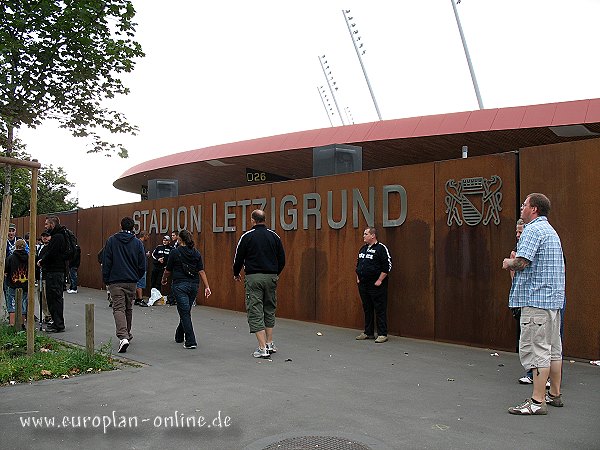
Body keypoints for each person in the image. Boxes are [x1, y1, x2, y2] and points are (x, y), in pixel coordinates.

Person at [502, 193, 565, 415]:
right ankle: (554, 394)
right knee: (554, 350)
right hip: (553, 302)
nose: (522, 208)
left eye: (525, 205)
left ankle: (537, 402)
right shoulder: (550, 231)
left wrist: (508, 262)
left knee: (537, 351)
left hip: (536, 301)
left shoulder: (532, 230)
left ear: (534, 209)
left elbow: (521, 262)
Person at [233, 209, 285, 358]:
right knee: (269, 308)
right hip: (271, 276)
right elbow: (282, 259)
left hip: (253, 277)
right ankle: (269, 342)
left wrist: (236, 273)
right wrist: (275, 273)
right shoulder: (274, 236)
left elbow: (238, 258)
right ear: (264, 220)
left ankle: (262, 348)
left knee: (255, 309)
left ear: (252, 220)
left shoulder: (247, 236)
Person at [102, 217, 147, 353]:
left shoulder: (111, 241)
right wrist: (136, 277)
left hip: (115, 280)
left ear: (120, 225)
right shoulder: (138, 243)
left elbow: (107, 261)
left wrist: (106, 278)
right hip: (131, 281)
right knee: (128, 308)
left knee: (118, 308)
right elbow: (142, 264)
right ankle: (127, 333)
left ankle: (123, 336)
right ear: (134, 227)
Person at [161, 230, 211, 349]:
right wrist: (207, 286)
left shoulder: (175, 252)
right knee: (186, 311)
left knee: (184, 312)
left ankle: (190, 340)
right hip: (194, 285)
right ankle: (179, 335)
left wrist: (164, 280)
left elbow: (168, 270)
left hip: (180, 285)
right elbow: (201, 271)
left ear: (180, 240)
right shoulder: (196, 253)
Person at [355, 227, 393, 343]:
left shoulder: (381, 249)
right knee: (367, 308)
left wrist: (380, 280)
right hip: (363, 285)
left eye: (365, 234)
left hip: (376, 285)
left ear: (373, 235)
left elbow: (387, 266)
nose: (363, 236)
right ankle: (368, 332)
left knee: (380, 308)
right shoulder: (363, 249)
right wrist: (358, 277)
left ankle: (382, 334)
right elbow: (358, 264)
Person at [36, 216, 67, 332]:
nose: (45, 226)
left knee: (54, 298)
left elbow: (52, 253)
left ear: (52, 224)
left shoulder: (57, 237)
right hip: (56, 271)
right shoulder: (60, 236)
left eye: (46, 224)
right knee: (54, 297)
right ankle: (56, 322)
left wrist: (42, 261)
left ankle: (58, 324)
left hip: (54, 272)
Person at [5, 239, 28, 326]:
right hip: (25, 284)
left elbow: (6, 270)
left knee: (12, 304)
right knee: (23, 304)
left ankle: (12, 324)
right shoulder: (29, 257)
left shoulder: (11, 258)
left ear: (15, 246)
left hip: (13, 284)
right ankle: (21, 324)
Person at [35, 232, 52, 324]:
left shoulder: (50, 247)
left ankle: (50, 315)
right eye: (43, 236)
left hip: (47, 275)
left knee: (47, 296)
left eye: (47, 236)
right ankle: (46, 315)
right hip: (39, 276)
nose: (45, 238)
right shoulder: (39, 247)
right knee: (41, 297)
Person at [134, 230, 151, 307]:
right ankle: (140, 299)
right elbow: (140, 255)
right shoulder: (140, 243)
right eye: (147, 235)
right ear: (145, 235)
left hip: (138, 266)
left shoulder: (137, 243)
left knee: (139, 283)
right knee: (140, 283)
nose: (148, 237)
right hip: (141, 267)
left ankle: (137, 299)